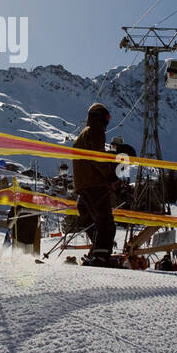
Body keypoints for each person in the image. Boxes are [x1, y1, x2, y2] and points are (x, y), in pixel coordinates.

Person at [72, 103, 118, 266]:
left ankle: (96, 253)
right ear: (99, 116)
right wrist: (110, 176)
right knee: (106, 222)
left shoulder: (83, 134)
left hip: (83, 188)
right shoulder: (95, 130)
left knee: (96, 224)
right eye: (107, 118)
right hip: (94, 185)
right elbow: (98, 157)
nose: (107, 122)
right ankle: (100, 258)